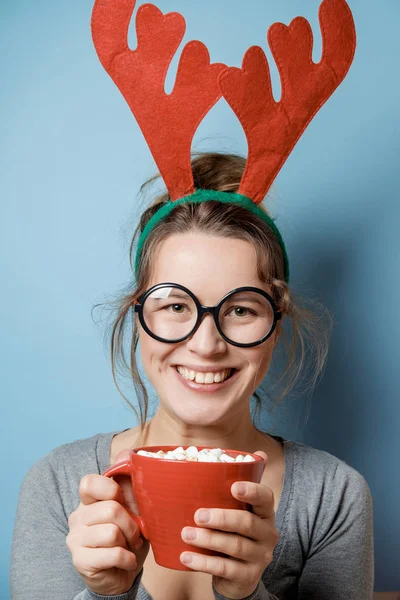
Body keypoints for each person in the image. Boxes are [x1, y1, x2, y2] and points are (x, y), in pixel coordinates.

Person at [11, 1, 373, 598]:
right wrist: (103, 592)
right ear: (139, 318)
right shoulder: (58, 483)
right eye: (175, 306)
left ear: (277, 323)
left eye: (240, 309)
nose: (205, 344)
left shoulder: (333, 497)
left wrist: (247, 594)